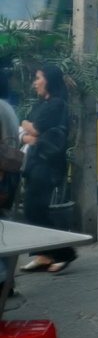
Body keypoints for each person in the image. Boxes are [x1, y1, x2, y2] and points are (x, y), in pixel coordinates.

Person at [19, 64, 76, 273]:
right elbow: (29, 135)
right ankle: (44, 254)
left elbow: (35, 128)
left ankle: (65, 252)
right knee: (34, 210)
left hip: (48, 164)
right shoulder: (44, 104)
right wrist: (29, 133)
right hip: (36, 163)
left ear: (49, 80)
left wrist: (28, 125)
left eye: (39, 78)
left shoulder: (57, 104)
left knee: (36, 210)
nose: (35, 82)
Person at [0, 71, 20, 294]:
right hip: (10, 177)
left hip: (2, 176)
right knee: (4, 228)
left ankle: (3, 280)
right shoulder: (7, 107)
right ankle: (8, 282)